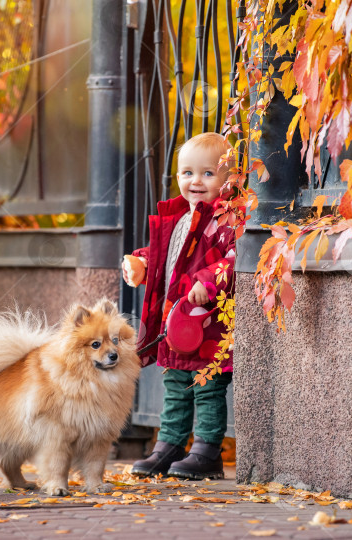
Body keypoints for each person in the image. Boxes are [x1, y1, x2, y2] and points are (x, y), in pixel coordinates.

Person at [122, 132, 236, 480]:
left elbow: (233, 259)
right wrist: (140, 262)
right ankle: (169, 444)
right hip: (174, 323)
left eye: (207, 174)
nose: (195, 181)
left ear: (228, 180)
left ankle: (206, 451)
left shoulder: (225, 219)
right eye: (187, 173)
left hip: (207, 324)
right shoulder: (177, 217)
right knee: (174, 385)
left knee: (207, 387)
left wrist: (207, 279)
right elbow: (164, 256)